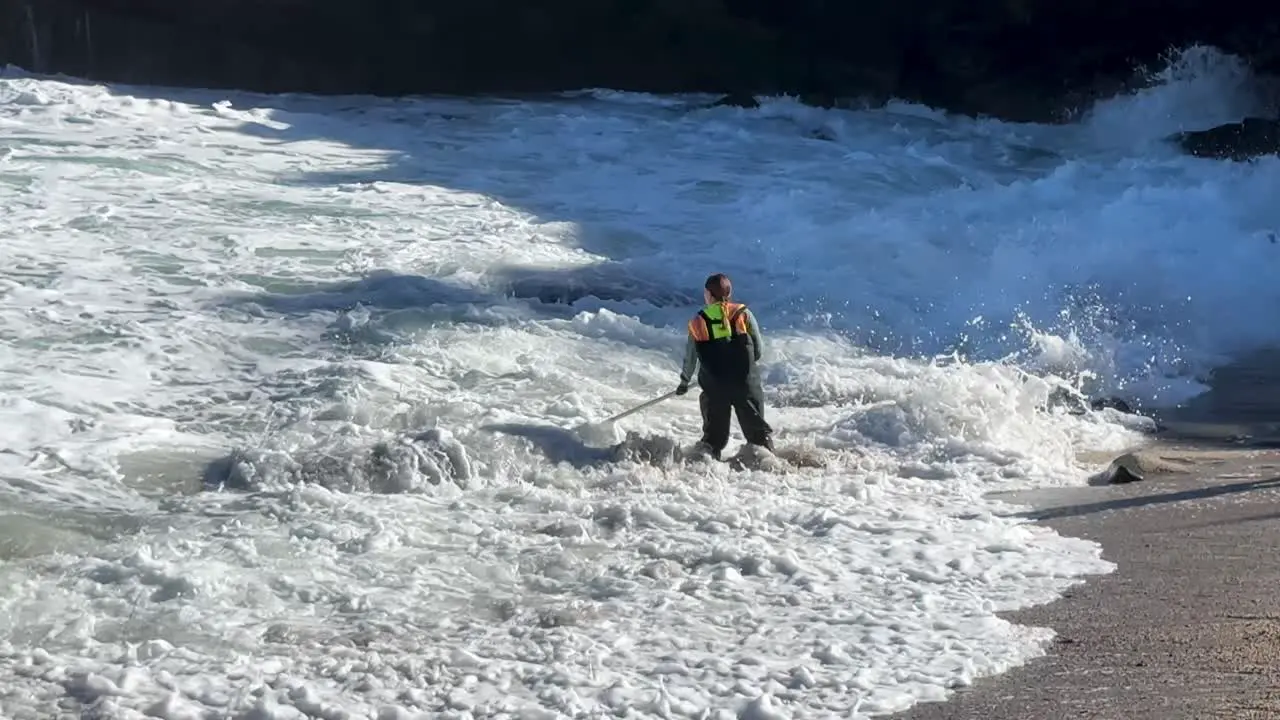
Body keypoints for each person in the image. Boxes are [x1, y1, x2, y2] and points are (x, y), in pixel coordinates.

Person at [676, 273, 774, 459]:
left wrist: (684, 382)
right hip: (746, 384)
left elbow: (691, 358)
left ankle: (707, 471)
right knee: (759, 438)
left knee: (712, 441)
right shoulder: (743, 313)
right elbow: (758, 350)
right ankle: (769, 467)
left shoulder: (698, 322)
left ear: (708, 295)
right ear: (730, 293)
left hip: (715, 387)